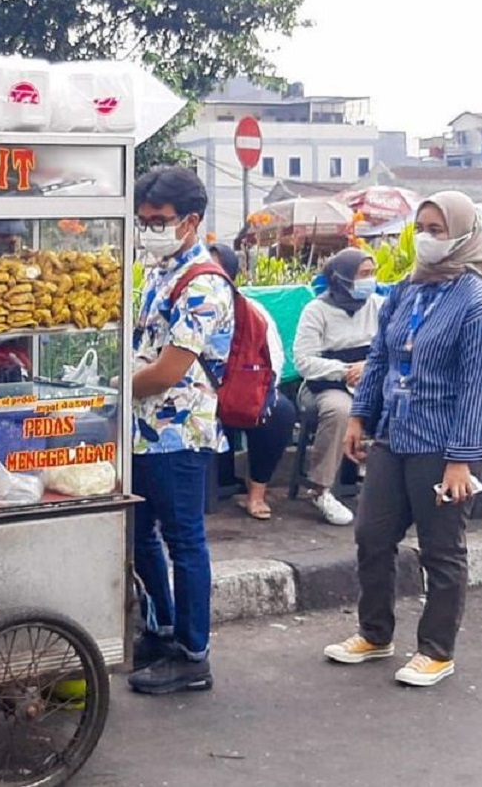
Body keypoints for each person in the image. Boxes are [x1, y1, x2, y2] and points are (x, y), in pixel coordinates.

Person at [325, 192, 482, 687]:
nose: (425, 238)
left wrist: (461, 460)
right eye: (421, 227)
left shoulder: (477, 303)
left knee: (441, 550)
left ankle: (436, 651)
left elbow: (476, 386)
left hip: (442, 447)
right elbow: (379, 357)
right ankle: (375, 633)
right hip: (394, 437)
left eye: (437, 230)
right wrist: (360, 417)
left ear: (465, 236)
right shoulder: (406, 290)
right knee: (371, 536)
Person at [129, 166, 234, 695]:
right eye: (142, 220)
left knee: (184, 541)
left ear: (190, 221)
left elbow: (169, 371)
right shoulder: (158, 271)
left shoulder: (204, 285)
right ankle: (161, 629)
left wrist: (111, 392)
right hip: (140, 433)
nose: (148, 229)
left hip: (179, 435)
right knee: (138, 533)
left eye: (159, 221)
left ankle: (194, 656)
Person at [293, 248, 384, 525]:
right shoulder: (316, 311)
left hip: (371, 382)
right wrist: (345, 371)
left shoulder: (380, 306)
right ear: (342, 278)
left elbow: (394, 348)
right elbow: (303, 361)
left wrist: (368, 368)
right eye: (363, 275)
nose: (369, 281)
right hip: (324, 386)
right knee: (340, 410)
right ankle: (320, 489)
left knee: (405, 402)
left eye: (372, 274)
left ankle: (393, 480)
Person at [208, 244, 296, 520]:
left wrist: (255, 391)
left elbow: (274, 359)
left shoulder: (251, 310)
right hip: (196, 391)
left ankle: (256, 492)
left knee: (279, 412)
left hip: (245, 386)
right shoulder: (184, 304)